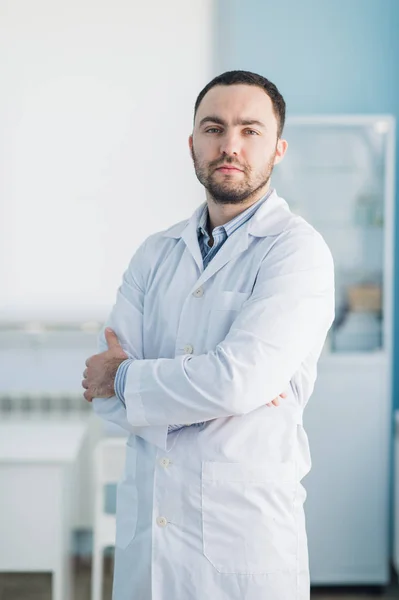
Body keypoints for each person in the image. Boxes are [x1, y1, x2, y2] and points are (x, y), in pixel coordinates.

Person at [82, 70, 335, 600]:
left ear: (279, 148)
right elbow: (104, 404)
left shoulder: (297, 252)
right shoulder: (155, 253)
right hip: (149, 540)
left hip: (243, 545)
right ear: (193, 142)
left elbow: (233, 383)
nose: (230, 145)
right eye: (214, 128)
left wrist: (126, 377)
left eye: (250, 130)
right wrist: (217, 389)